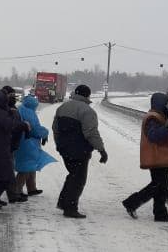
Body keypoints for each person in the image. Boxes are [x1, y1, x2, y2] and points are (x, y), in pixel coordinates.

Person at [53, 85, 108, 219]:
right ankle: (70, 208)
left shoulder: (62, 107)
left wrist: (59, 144)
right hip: (79, 150)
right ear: (87, 96)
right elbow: (91, 133)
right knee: (78, 179)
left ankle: (64, 203)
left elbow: (55, 128)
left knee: (73, 175)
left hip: (65, 149)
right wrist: (101, 149)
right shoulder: (87, 111)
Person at [122, 92, 168, 222]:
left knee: (161, 186)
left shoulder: (158, 115)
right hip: (157, 156)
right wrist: (167, 126)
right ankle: (132, 203)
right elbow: (154, 136)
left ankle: (160, 214)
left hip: (161, 156)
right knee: (158, 186)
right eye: (166, 103)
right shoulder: (153, 117)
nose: (167, 105)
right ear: (160, 103)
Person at [13, 93, 56, 198]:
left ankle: (31, 188)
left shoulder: (22, 109)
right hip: (27, 143)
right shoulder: (29, 112)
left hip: (23, 141)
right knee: (26, 167)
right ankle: (16, 191)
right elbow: (34, 130)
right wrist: (45, 132)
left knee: (30, 166)